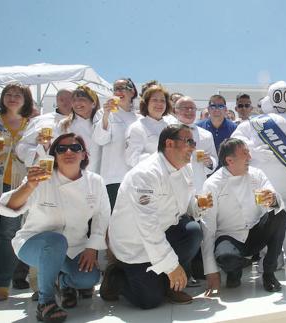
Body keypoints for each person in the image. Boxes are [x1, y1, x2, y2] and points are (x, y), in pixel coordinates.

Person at [0, 133, 110, 322]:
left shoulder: (95, 182)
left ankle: (63, 281)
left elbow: (102, 216)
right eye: (61, 148)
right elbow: (8, 208)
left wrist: (92, 248)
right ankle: (46, 302)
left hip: (74, 247)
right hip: (34, 244)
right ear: (54, 155)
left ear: (83, 155)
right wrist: (29, 186)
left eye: (75, 148)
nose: (68, 151)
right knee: (56, 241)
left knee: (89, 279)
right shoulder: (41, 178)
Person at [101, 124, 203, 309]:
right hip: (134, 244)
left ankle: (170, 284)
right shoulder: (145, 174)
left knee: (193, 231)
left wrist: (198, 206)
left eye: (193, 142)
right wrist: (172, 266)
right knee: (149, 301)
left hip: (161, 233)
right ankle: (115, 276)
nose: (193, 147)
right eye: (188, 141)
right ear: (169, 143)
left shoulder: (184, 169)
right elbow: (147, 226)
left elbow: (185, 206)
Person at [232, 81, 286, 270]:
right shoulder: (255, 123)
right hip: (265, 185)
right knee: (266, 218)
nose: (282, 100)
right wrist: (253, 152)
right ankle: (270, 255)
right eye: (277, 95)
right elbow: (236, 141)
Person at [201, 138, 286, 293]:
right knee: (227, 257)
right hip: (230, 235)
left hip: (256, 231)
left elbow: (276, 198)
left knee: (280, 214)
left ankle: (269, 272)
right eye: (245, 153)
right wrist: (211, 271)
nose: (250, 157)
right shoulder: (212, 184)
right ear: (229, 160)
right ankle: (234, 272)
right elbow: (207, 227)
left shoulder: (257, 174)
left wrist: (273, 199)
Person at [0, 83, 33, 301]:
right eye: (8, 94)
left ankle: (2, 283)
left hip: (17, 184)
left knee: (9, 234)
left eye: (17, 95)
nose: (12, 98)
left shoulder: (32, 125)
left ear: (25, 100)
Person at [17, 86, 102, 173]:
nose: (66, 102)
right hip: (62, 174)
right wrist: (43, 147)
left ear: (93, 103)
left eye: (69, 99)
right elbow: (23, 148)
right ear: (56, 101)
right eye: (61, 99)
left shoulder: (100, 123)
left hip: (94, 176)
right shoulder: (43, 121)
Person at [93, 78, 139, 210]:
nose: (118, 92)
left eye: (122, 88)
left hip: (134, 178)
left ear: (132, 92)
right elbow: (100, 140)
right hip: (112, 177)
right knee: (112, 221)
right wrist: (106, 115)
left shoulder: (139, 118)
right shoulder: (103, 113)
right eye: (115, 89)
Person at [173, 97, 217, 191]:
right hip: (174, 185)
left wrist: (209, 162)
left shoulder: (206, 134)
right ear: (176, 111)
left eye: (192, 108)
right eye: (185, 108)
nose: (190, 111)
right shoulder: (167, 131)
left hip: (198, 185)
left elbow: (214, 158)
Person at [124, 85, 171, 167]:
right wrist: (162, 160)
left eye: (162, 100)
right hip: (147, 177)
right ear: (146, 103)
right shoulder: (137, 127)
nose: (159, 104)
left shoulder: (170, 127)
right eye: (154, 100)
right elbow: (132, 158)